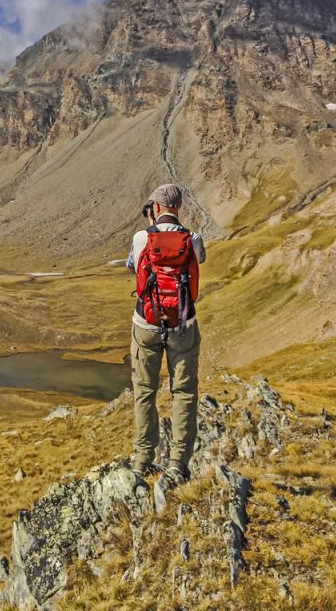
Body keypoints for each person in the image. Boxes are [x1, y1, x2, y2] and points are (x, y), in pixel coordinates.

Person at [126, 183, 206, 489]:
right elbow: (201, 260)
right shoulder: (193, 238)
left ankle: (142, 460)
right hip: (183, 325)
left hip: (145, 323)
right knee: (184, 391)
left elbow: (133, 266)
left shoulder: (141, 238)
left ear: (155, 209)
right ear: (178, 208)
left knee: (145, 390)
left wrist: (151, 231)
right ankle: (177, 464)